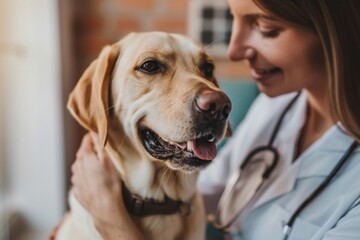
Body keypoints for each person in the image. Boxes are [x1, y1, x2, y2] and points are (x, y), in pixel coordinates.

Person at [70, 0, 360, 239]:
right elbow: (207, 187)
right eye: (151, 66)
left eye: (266, 28)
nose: (232, 51)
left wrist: (110, 218)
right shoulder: (274, 108)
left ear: (332, 32)